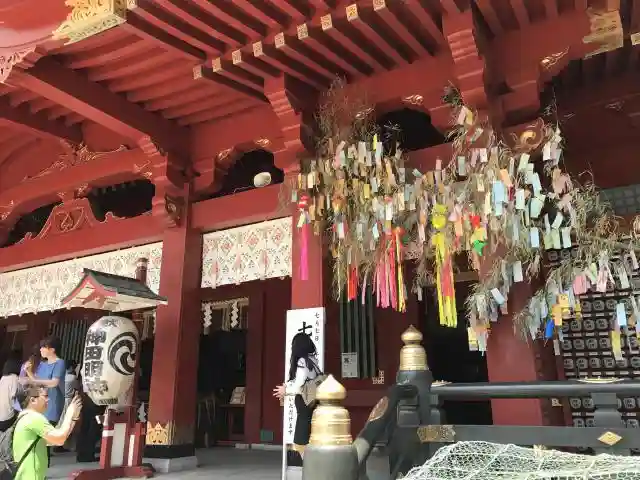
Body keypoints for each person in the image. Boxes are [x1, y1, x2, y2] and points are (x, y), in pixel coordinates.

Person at [12, 385, 82, 480]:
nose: (48, 399)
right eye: (45, 396)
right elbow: (59, 438)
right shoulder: (33, 418)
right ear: (33, 400)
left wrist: (73, 418)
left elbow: (56, 440)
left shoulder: (24, 417)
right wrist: (69, 412)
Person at [273, 333, 323, 458]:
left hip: (304, 404)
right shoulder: (313, 360)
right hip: (312, 401)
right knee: (309, 437)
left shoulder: (302, 361)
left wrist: (286, 391)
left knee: (301, 440)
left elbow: (299, 385)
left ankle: (308, 465)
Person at [22, 336, 65, 463]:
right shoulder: (42, 364)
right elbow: (36, 382)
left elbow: (54, 383)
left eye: (43, 347)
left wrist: (35, 380)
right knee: (39, 438)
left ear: (52, 349)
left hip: (52, 403)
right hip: (40, 403)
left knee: (45, 438)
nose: (41, 350)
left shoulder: (59, 363)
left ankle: (44, 466)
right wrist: (29, 372)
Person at [0, 358, 20, 431]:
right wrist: (20, 410)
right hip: (6, 418)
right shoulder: (14, 378)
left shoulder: (3, 377)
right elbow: (14, 398)